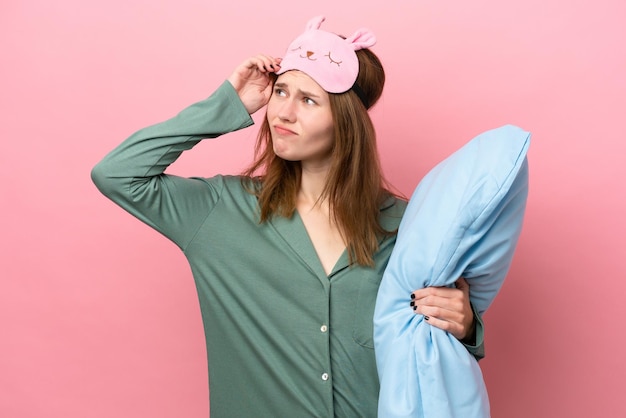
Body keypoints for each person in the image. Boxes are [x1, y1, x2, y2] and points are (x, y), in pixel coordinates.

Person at [92, 16, 484, 418]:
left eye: (309, 100)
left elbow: (437, 351)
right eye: (281, 92)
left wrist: (466, 327)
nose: (283, 113)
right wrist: (227, 104)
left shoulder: (406, 225)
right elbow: (118, 174)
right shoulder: (220, 211)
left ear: (347, 123)